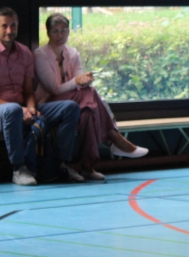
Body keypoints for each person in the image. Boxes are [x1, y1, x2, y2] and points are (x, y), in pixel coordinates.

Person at [0, 7, 82, 186]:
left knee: (70, 107)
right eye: (4, 26)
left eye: (13, 25)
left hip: (22, 107)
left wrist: (30, 108)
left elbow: (29, 92)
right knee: (13, 110)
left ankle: (59, 164)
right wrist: (20, 109)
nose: (9, 30)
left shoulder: (25, 53)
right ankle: (19, 168)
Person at [33, 13, 148, 180]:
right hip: (48, 105)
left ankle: (87, 166)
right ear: (48, 33)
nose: (60, 35)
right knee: (90, 94)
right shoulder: (40, 55)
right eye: (55, 31)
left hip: (73, 103)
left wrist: (85, 81)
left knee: (87, 111)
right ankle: (115, 138)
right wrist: (77, 82)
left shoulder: (73, 53)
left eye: (64, 30)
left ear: (69, 32)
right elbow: (55, 89)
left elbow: (79, 85)